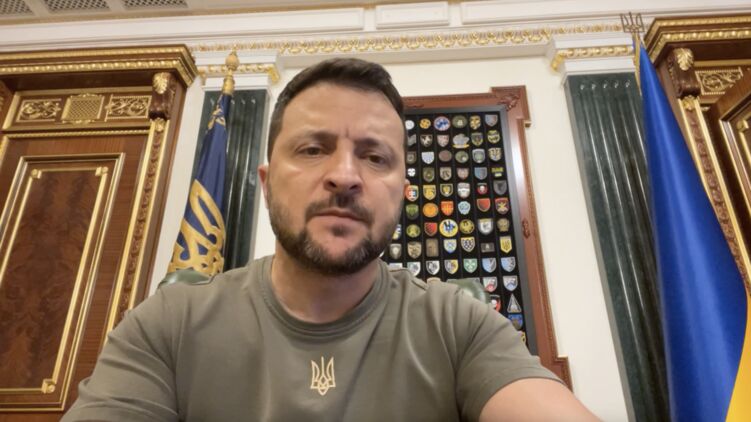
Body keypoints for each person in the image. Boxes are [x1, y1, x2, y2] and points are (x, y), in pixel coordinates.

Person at [63, 58, 598, 421]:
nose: (345, 176)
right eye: (313, 149)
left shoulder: (459, 323)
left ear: (402, 195)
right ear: (267, 183)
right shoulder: (168, 325)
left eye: (375, 157)